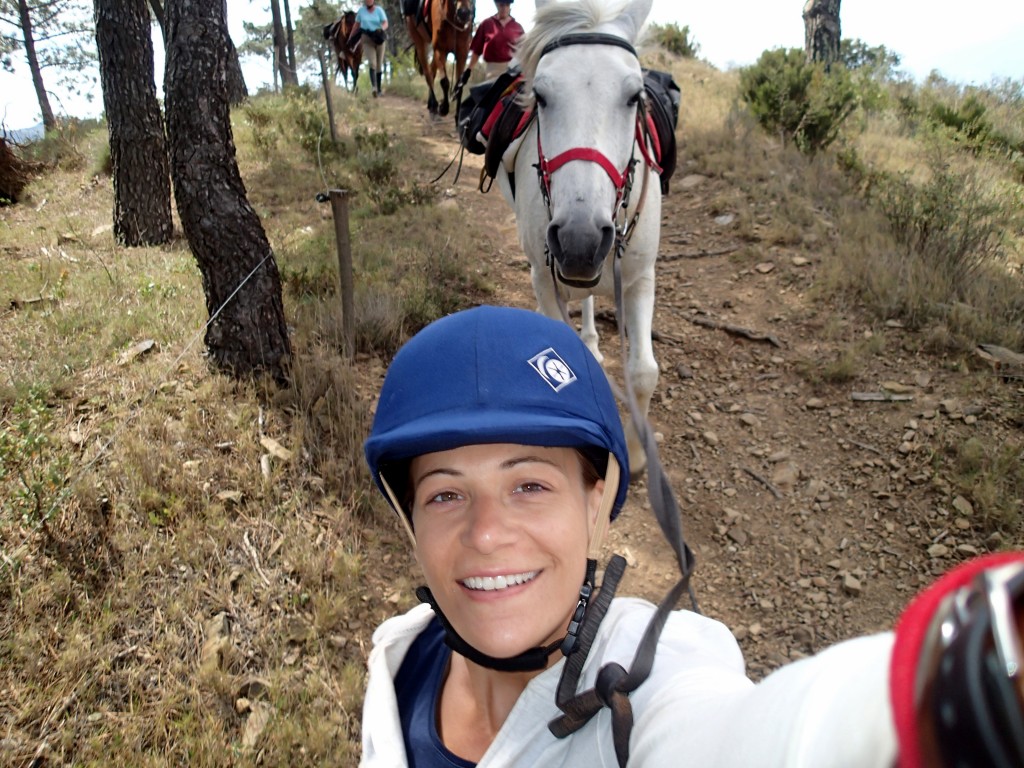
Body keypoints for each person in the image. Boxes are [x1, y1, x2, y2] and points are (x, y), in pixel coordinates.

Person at [362, 304, 1024, 767]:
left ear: (597, 502)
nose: (485, 534)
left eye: (530, 485)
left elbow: (752, 739)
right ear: (410, 518)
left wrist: (961, 679)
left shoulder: (652, 680)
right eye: (445, 493)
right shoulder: (401, 658)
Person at [467, 0, 524, 80]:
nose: (504, 8)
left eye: (507, 5)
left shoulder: (518, 28)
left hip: (512, 73)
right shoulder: (486, 24)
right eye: (501, 5)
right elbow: (476, 50)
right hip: (492, 72)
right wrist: (468, 71)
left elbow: (524, 53)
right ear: (496, 5)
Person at [349, 0, 389, 97]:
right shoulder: (361, 12)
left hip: (379, 38)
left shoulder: (379, 10)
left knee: (379, 64)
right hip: (367, 39)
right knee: (372, 63)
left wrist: (381, 28)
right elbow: (356, 25)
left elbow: (385, 23)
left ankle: (379, 89)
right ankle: (374, 88)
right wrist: (351, 37)